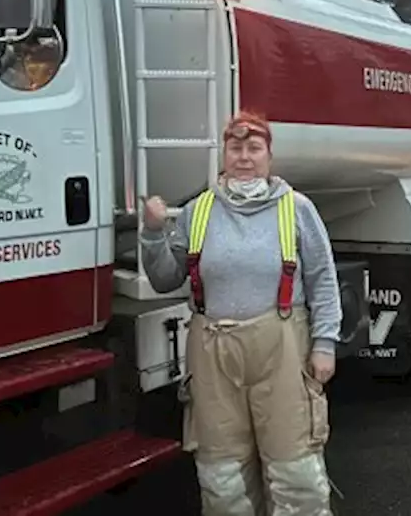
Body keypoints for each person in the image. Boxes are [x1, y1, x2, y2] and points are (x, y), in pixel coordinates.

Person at [139, 110, 342, 516]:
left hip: (282, 353)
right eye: (235, 148)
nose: (244, 157)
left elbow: (323, 279)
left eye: (254, 148)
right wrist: (152, 232)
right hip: (213, 356)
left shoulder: (297, 208)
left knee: (295, 471)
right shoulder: (198, 211)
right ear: (224, 155)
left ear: (269, 155)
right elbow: (164, 278)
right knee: (222, 478)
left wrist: (324, 344)